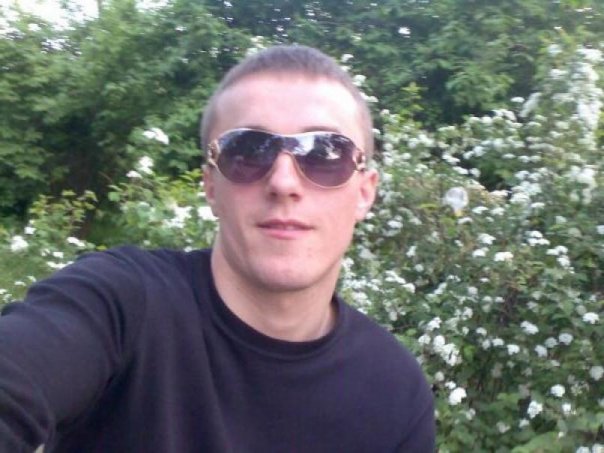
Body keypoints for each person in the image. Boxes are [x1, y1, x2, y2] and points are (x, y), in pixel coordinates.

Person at [0, 45, 435, 452]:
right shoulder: (119, 305)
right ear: (211, 186)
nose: (283, 182)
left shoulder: (395, 390)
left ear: (364, 193)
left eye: (324, 154)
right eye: (248, 151)